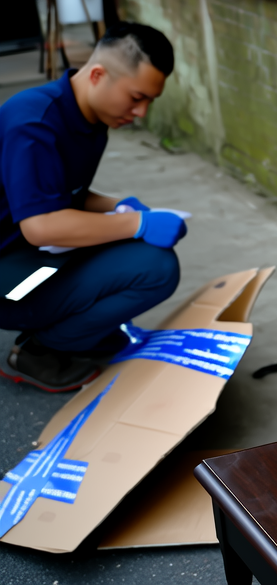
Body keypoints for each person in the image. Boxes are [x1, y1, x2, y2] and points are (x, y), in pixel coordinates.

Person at [0, 23, 186, 392]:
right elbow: (41, 225)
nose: (141, 112)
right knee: (156, 268)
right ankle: (42, 350)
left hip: (28, 256)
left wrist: (119, 206)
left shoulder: (89, 116)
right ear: (98, 75)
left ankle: (77, 331)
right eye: (136, 97)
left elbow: (63, 193)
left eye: (149, 101)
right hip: (10, 279)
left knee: (135, 248)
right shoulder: (33, 122)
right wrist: (137, 223)